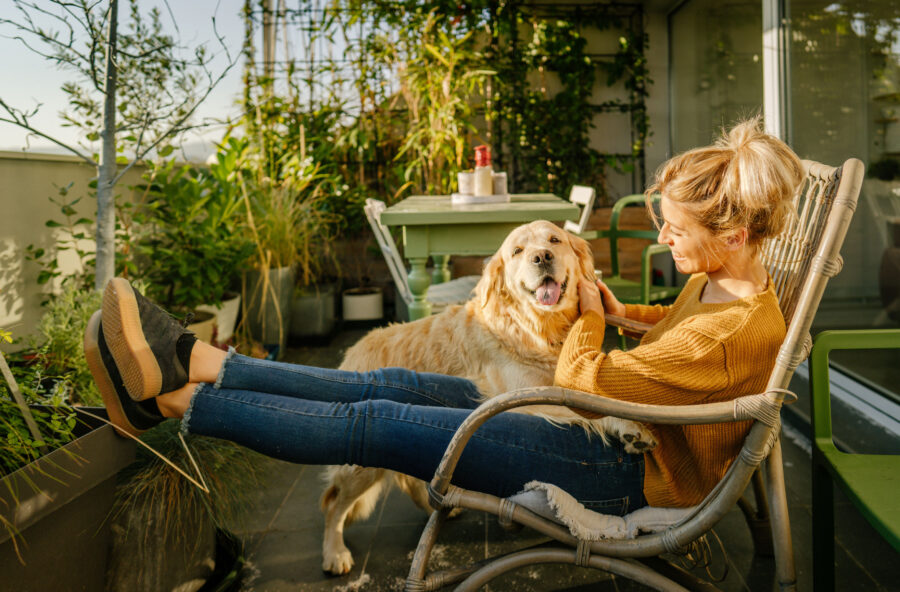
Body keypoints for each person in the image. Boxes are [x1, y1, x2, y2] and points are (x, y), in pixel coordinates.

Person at [84, 118, 802, 515]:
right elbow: (674, 330)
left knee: (378, 427)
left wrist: (587, 313)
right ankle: (198, 357)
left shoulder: (734, 327)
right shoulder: (730, 285)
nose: (664, 239)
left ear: (733, 233)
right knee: (382, 385)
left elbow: (591, 382)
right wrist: (623, 310)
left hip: (612, 466)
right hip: (579, 422)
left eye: (675, 230)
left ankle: (177, 400)